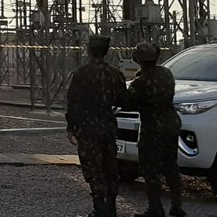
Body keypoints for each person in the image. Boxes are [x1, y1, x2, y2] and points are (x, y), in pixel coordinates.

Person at [65, 34, 128, 217]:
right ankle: (112, 208)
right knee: (110, 166)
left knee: (93, 167)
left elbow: (73, 102)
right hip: (108, 125)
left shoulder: (81, 74)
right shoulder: (115, 74)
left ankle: (99, 208)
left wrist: (71, 126)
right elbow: (124, 101)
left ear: (89, 50)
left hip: (87, 126)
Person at [125, 42, 185, 217]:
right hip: (171, 123)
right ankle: (177, 206)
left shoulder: (140, 82)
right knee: (171, 165)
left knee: (150, 168)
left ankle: (155, 208)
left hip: (152, 127)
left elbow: (128, 104)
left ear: (137, 59)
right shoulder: (167, 73)